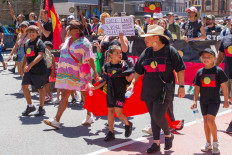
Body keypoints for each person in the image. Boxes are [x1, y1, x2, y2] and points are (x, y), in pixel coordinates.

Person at [127, 25, 186, 153]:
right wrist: (132, 83)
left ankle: (168, 134)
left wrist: (181, 87)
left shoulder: (170, 51)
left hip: (165, 90)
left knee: (158, 115)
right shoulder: (147, 52)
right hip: (149, 89)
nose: (145, 40)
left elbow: (180, 69)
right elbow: (138, 70)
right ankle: (156, 143)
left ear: (157, 38)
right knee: (153, 117)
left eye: (147, 37)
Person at [43, 20, 99, 129]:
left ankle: (89, 116)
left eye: (71, 28)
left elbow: (91, 59)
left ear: (77, 30)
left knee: (85, 95)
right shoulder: (68, 40)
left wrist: (95, 73)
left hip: (80, 73)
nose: (68, 29)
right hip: (66, 74)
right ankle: (56, 120)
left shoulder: (85, 42)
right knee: (65, 95)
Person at [91, 45, 134, 141]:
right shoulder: (106, 66)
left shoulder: (124, 66)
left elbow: (127, 79)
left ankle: (128, 124)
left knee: (118, 113)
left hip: (120, 92)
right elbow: (105, 80)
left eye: (120, 53)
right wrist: (95, 87)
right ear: (110, 55)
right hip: (110, 92)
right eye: (117, 53)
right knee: (110, 112)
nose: (120, 55)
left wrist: (134, 72)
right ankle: (111, 132)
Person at [191, 48, 229, 154]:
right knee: (205, 122)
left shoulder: (218, 71)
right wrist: (194, 101)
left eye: (209, 57)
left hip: (214, 100)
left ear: (214, 59)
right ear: (201, 59)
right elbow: (197, 88)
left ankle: (216, 142)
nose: (206, 59)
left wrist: (226, 100)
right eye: (204, 57)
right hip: (203, 101)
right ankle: (208, 143)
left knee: (210, 120)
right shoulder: (200, 72)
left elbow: (224, 87)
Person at [21, 25, 47, 117]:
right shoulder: (27, 43)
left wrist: (30, 65)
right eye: (29, 32)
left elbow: (40, 56)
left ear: (37, 33)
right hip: (29, 69)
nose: (31, 33)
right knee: (24, 86)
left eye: (33, 32)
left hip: (39, 70)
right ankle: (30, 106)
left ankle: (41, 108)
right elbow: (26, 56)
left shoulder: (40, 43)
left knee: (40, 88)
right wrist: (22, 67)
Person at [216, 33, 232, 135]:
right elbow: (221, 56)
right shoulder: (225, 39)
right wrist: (213, 68)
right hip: (228, 75)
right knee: (230, 98)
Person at [7, 21, 29, 93]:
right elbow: (16, 45)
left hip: (26, 53)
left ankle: (23, 87)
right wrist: (10, 54)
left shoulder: (30, 35)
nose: (23, 27)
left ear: (28, 27)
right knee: (19, 71)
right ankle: (28, 83)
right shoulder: (19, 34)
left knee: (23, 71)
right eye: (22, 26)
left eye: (25, 26)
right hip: (19, 52)